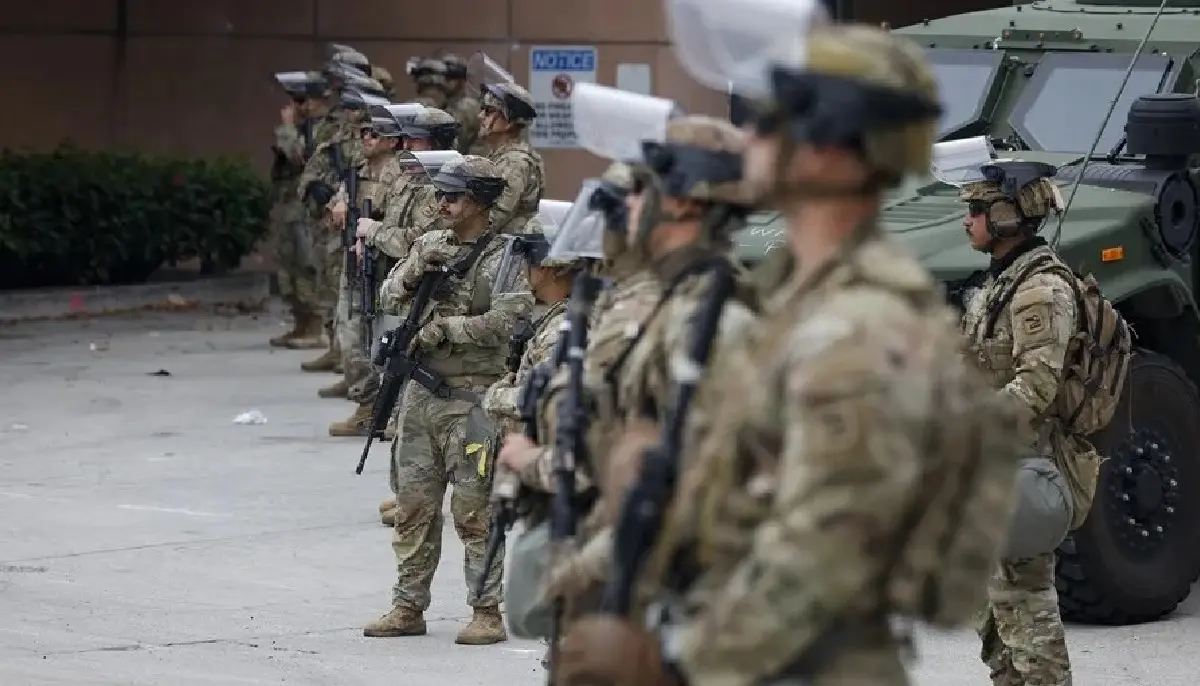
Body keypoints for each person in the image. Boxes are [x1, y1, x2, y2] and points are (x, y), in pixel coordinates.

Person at [556, 10, 1021, 686]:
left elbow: (823, 558)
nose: (750, 136)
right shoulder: (785, 299)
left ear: (828, 151)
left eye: (772, 121)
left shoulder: (858, 325)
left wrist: (662, 660)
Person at [364, 156, 532, 645]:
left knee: (474, 511)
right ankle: (407, 605)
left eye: (453, 196)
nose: (442, 204)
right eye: (440, 195)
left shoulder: (505, 256)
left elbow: (509, 320)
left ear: (479, 201)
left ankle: (485, 610)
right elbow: (389, 296)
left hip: (475, 401)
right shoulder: (430, 244)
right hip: (422, 395)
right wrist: (416, 270)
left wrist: (446, 329)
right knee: (414, 506)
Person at [956, 158, 1106, 686]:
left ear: (1007, 216)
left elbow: (1036, 386)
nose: (966, 221)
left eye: (975, 209)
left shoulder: (1040, 291)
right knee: (995, 616)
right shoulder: (1001, 283)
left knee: (1026, 608)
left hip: (1029, 464)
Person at [294, 68, 388, 373]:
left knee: (357, 298)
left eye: (353, 107)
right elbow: (309, 171)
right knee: (334, 290)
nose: (348, 115)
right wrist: (319, 191)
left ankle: (356, 365)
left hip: (363, 228)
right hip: (333, 225)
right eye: (346, 107)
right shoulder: (336, 139)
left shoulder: (382, 138)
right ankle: (342, 355)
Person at [319, 115, 407, 433]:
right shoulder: (356, 174)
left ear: (393, 141)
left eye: (374, 134)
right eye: (364, 132)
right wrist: (339, 205)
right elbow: (337, 202)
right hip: (356, 261)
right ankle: (367, 406)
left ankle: (394, 409)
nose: (366, 138)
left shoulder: (402, 176)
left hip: (389, 263)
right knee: (350, 332)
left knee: (389, 337)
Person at [268, 71, 325, 349]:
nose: (296, 106)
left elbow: (301, 158)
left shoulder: (321, 129)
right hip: (289, 207)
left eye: (302, 99)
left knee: (305, 267)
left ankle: (314, 326)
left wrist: (288, 128)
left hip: (305, 210)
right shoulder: (306, 127)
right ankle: (299, 323)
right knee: (287, 270)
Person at [479, 82, 546, 234]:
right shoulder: (499, 155)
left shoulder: (515, 162)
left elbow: (493, 219)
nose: (480, 116)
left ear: (509, 122)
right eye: (482, 109)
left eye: (488, 111)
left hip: (504, 250)